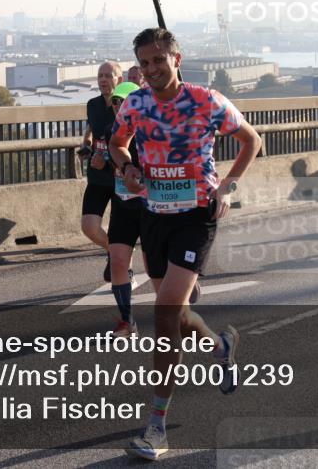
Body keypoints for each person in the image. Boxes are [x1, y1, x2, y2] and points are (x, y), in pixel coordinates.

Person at [110, 27, 262, 460]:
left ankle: (155, 427)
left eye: (159, 60)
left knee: (163, 314)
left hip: (196, 217)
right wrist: (127, 169)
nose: (152, 69)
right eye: (144, 64)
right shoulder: (136, 103)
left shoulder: (206, 100)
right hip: (153, 217)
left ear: (177, 59)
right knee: (175, 313)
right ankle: (221, 345)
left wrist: (227, 188)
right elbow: (118, 143)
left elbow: (252, 140)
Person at [105, 81, 148, 338]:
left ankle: (187, 283)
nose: (120, 105)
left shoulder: (151, 126)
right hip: (123, 203)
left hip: (150, 204)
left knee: (155, 263)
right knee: (119, 261)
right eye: (116, 101)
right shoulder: (114, 130)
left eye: (125, 100)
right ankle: (126, 321)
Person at [82, 61, 123, 280]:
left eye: (108, 75)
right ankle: (113, 251)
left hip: (120, 178)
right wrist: (86, 146)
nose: (103, 80)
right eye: (100, 76)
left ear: (120, 79)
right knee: (89, 226)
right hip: (97, 176)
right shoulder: (92, 104)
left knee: (120, 232)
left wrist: (108, 162)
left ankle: (120, 260)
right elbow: (91, 129)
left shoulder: (125, 106)